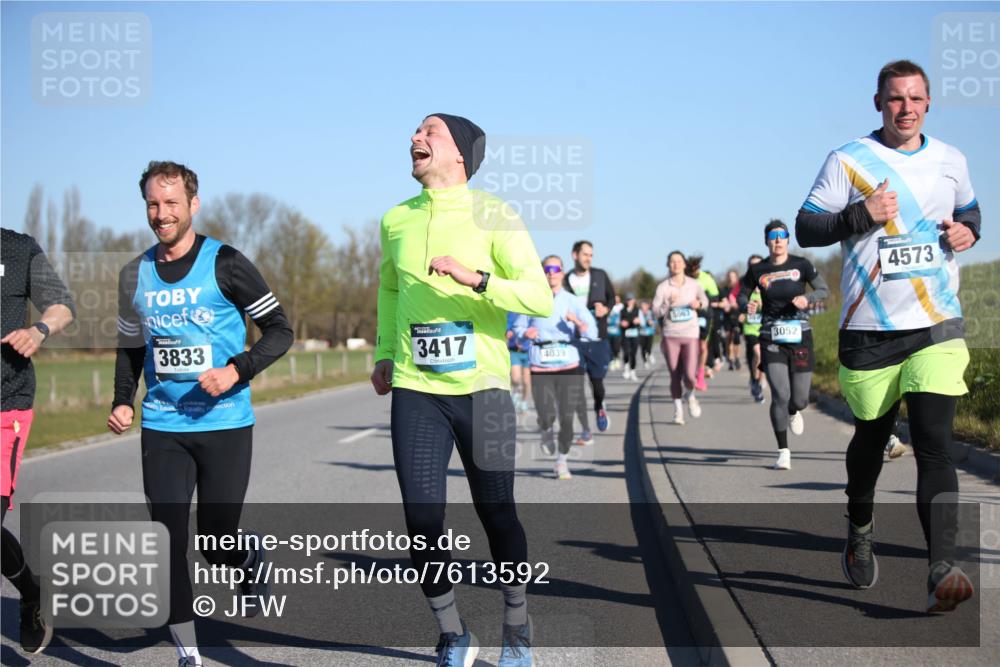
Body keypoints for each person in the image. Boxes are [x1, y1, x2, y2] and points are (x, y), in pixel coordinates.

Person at [796, 60, 979, 610]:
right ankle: (859, 524)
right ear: (879, 102)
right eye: (896, 98)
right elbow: (807, 226)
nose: (906, 108)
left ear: (929, 103)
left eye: (916, 98)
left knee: (934, 443)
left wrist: (967, 231)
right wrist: (862, 214)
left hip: (936, 324)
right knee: (870, 444)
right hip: (869, 329)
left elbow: (971, 212)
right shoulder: (848, 159)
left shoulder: (951, 160)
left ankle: (942, 566)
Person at [371, 114, 552, 666]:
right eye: (415, 131)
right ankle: (453, 633)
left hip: (485, 388)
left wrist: (477, 279)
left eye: (430, 132)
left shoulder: (496, 214)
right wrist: (384, 352)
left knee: (497, 512)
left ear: (460, 155)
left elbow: (539, 298)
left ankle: (516, 626)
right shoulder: (395, 219)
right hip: (416, 386)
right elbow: (389, 289)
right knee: (421, 520)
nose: (415, 138)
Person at [108, 161, 293, 667]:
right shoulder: (134, 274)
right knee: (166, 543)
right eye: (152, 203)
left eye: (171, 203)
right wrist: (123, 399)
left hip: (224, 423)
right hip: (163, 425)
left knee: (216, 541)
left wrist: (236, 370)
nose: (161, 213)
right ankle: (189, 655)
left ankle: (246, 557)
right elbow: (130, 347)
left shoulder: (226, 263)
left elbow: (280, 330)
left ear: (193, 204)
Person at [1, 228, 75, 654]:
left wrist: (39, 330)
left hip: (5, 403)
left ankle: (32, 597)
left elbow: (63, 305)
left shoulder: (17, 248)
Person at [740, 220, 829, 471]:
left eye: (782, 235)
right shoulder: (758, 269)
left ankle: (794, 410)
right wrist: (747, 304)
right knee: (780, 394)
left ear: (788, 240)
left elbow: (823, 289)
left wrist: (807, 298)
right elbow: (742, 294)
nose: (778, 240)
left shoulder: (802, 264)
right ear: (766, 241)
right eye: (773, 236)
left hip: (800, 334)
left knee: (799, 399)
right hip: (771, 335)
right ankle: (783, 451)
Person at [513, 255, 591, 477]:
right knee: (546, 414)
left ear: (562, 272)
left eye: (555, 269)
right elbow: (517, 329)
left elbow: (590, 330)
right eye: (547, 269)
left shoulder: (573, 301)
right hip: (541, 365)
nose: (551, 273)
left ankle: (562, 461)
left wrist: (578, 323)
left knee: (567, 417)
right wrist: (524, 333)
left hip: (569, 364)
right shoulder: (529, 300)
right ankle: (546, 429)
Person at [563, 240, 615, 432]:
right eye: (585, 254)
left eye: (591, 255)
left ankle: (600, 407)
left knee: (597, 383)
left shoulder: (600, 275)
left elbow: (612, 297)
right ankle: (585, 428)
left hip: (597, 338)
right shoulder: (565, 280)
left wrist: (606, 309)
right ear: (575, 255)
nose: (588, 258)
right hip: (574, 340)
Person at [652, 251, 708, 425]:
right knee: (675, 374)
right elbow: (655, 311)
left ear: (684, 264)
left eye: (679, 261)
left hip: (690, 334)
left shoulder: (694, 284)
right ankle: (678, 411)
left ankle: (690, 395)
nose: (676, 264)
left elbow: (705, 301)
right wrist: (667, 304)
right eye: (672, 261)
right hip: (671, 335)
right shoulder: (663, 287)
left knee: (690, 375)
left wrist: (698, 304)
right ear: (668, 265)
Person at [686, 256, 719, 390]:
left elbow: (715, 296)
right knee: (690, 346)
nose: (694, 272)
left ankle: (700, 375)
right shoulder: (685, 279)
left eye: (696, 269)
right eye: (691, 269)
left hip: (704, 315)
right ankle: (690, 371)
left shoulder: (706, 278)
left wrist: (701, 300)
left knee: (703, 347)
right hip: (689, 315)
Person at [740, 254, 766, 404]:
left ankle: (757, 381)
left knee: (761, 358)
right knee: (757, 353)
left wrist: (763, 305)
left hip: (765, 327)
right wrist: (742, 311)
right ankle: (755, 381)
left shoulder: (769, 282)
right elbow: (738, 300)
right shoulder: (745, 283)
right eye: (752, 265)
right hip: (750, 327)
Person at [506, 311, 532, 413]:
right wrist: (508, 332)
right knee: (515, 378)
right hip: (514, 351)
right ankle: (516, 394)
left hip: (528, 351)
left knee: (526, 381)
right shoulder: (511, 312)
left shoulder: (531, 313)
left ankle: (524, 402)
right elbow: (506, 327)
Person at [722, 269, 743, 371]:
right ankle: (730, 359)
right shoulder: (725, 289)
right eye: (730, 276)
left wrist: (738, 305)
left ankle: (737, 358)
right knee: (728, 338)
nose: (732, 278)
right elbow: (723, 302)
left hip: (738, 316)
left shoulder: (740, 288)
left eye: (733, 276)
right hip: (728, 316)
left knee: (737, 338)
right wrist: (727, 305)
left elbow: (743, 301)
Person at [618, 293, 641, 381]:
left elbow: (642, 321)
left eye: (631, 299)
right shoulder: (622, 310)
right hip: (625, 334)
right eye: (628, 300)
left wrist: (638, 321)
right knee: (626, 352)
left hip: (635, 334)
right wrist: (622, 323)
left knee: (633, 353)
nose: (630, 301)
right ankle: (626, 367)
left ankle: (633, 371)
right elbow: (619, 321)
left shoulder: (637, 310)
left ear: (634, 300)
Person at [638, 300, 656, 369]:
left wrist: (652, 322)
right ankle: (645, 362)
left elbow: (655, 321)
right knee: (643, 348)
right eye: (642, 306)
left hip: (649, 332)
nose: (644, 307)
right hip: (641, 333)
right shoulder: (639, 313)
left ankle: (650, 354)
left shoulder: (651, 313)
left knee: (649, 347)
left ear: (648, 306)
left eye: (645, 306)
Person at [607, 294, 623, 371]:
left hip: (617, 332)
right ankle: (611, 361)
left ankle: (617, 358)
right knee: (609, 348)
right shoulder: (609, 307)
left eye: (617, 298)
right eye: (615, 298)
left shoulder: (622, 307)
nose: (616, 300)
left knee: (616, 348)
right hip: (609, 331)